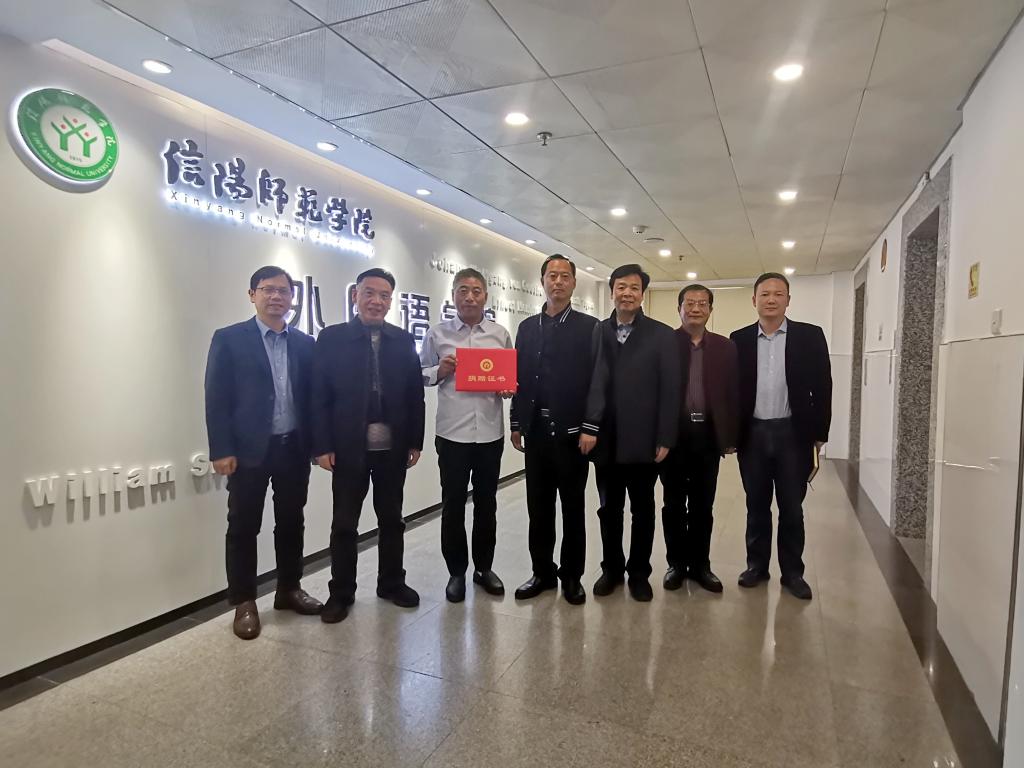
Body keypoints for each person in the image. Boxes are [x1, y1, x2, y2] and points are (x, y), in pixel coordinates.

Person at [204, 265, 323, 640]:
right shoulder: (229, 339)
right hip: (248, 451)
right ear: (252, 294)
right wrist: (221, 449)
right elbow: (216, 398)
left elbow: (314, 400)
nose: (276, 297)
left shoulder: (305, 343)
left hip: (293, 447)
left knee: (291, 521)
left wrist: (318, 446)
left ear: (292, 298)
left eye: (283, 291)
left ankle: (289, 589)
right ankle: (244, 601)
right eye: (268, 289)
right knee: (243, 527)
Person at [312, 267, 425, 623]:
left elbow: (414, 395)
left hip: (393, 447)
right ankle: (341, 593)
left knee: (392, 519)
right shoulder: (332, 338)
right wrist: (321, 445)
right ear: (355, 296)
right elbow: (319, 396)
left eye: (384, 296)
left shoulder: (402, 340)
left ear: (391, 302)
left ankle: (391, 583)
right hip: (347, 447)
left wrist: (415, 440)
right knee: (345, 523)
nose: (376, 301)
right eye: (369, 293)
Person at [731, 272, 832, 600]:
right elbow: (732, 391)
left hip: (793, 434)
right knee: (756, 505)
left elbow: (823, 385)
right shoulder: (739, 339)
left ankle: (793, 573)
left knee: (792, 508)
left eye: (778, 294)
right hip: (754, 435)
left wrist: (820, 432)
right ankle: (756, 567)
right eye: (765, 294)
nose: (771, 299)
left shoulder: (810, 336)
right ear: (754, 300)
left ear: (788, 299)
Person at [510, 254, 604, 606]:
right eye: (552, 275)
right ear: (543, 281)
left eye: (565, 276)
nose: (558, 282)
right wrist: (516, 422)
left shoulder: (589, 327)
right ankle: (542, 573)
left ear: (574, 283)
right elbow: (518, 379)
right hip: (536, 434)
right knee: (539, 509)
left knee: (572, 509)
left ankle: (572, 577)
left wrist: (590, 426)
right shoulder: (527, 328)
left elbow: (598, 380)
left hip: (572, 435)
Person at [420, 268, 514, 603]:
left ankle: (484, 569)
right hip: (452, 435)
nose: (470, 297)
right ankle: (456, 572)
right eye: (463, 290)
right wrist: (439, 370)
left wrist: (507, 388)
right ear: (453, 296)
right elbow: (420, 373)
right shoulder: (437, 333)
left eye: (476, 291)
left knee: (487, 504)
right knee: (453, 505)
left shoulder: (500, 334)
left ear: (486, 296)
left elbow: (508, 379)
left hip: (489, 433)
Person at [589, 264, 680, 602]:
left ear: (643, 294)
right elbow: (589, 383)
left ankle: (639, 573)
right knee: (608, 510)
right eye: (621, 287)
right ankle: (611, 569)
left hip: (644, 442)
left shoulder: (662, 335)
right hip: (606, 442)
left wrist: (665, 437)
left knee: (643, 511)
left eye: (634, 288)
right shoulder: (598, 331)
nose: (627, 293)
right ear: (612, 291)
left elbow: (671, 390)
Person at [659, 284, 739, 594]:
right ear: (679, 308)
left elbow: (732, 393)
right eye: (689, 303)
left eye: (702, 303)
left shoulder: (725, 347)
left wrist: (729, 435)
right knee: (673, 504)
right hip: (674, 437)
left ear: (710, 310)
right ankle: (676, 565)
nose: (695, 308)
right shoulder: (665, 343)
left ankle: (701, 566)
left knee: (703, 505)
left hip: (707, 437)